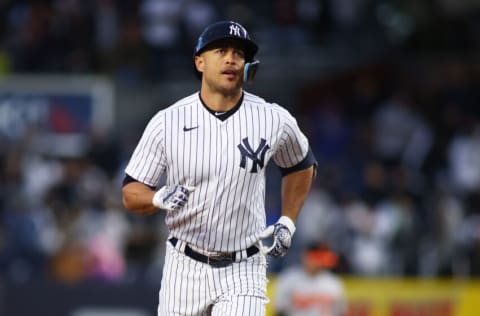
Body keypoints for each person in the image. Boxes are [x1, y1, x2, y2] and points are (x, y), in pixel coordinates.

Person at [122, 20, 317, 316]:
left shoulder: (273, 118)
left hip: (244, 265)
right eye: (222, 50)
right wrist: (156, 197)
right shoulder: (167, 121)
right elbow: (130, 192)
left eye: (239, 54)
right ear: (199, 62)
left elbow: (302, 165)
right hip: (183, 265)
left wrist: (287, 221)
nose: (231, 59)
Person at [274, 241, 347, 316]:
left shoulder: (333, 282)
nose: (319, 264)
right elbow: (281, 311)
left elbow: (340, 312)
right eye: (317, 258)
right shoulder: (288, 279)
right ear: (306, 257)